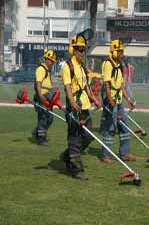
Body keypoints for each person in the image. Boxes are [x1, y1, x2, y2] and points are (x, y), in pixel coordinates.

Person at [60, 33, 100, 180]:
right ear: (73, 50)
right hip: (74, 108)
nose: (83, 53)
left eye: (84, 50)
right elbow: (68, 87)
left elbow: (86, 86)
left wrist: (94, 98)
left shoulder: (82, 66)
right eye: (81, 50)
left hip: (85, 106)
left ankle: (67, 156)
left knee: (88, 136)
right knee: (75, 139)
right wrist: (72, 103)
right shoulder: (67, 67)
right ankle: (75, 169)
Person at [101, 39, 136, 163]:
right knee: (110, 127)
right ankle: (105, 155)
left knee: (124, 126)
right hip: (110, 99)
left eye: (122, 51)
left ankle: (125, 153)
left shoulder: (120, 65)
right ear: (114, 51)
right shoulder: (108, 64)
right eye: (120, 51)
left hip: (119, 100)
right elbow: (106, 84)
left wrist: (129, 100)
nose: (122, 54)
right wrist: (110, 100)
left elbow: (121, 86)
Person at [32, 49, 56, 145]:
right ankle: (41, 139)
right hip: (42, 97)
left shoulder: (47, 70)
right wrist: (41, 96)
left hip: (48, 97)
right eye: (50, 60)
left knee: (49, 118)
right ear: (46, 59)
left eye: (53, 61)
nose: (52, 62)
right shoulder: (41, 69)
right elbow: (38, 83)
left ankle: (37, 132)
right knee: (43, 118)